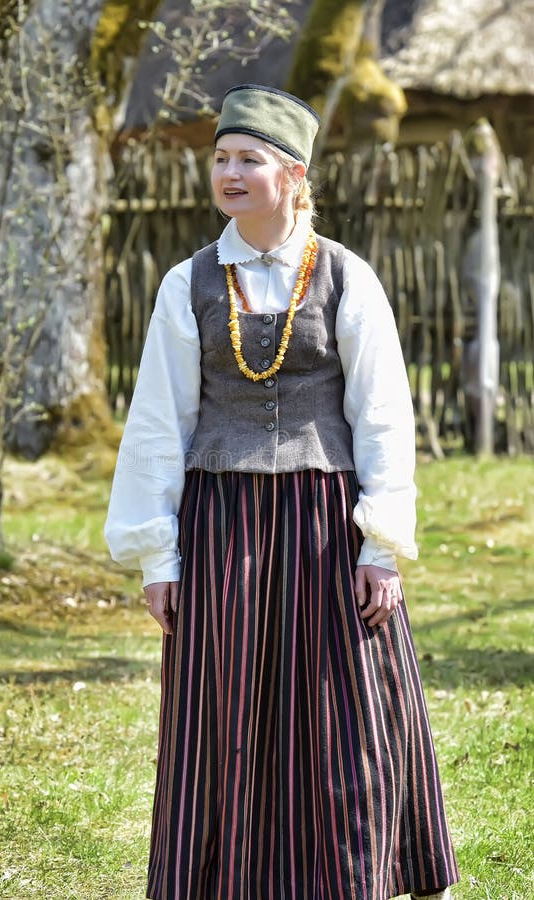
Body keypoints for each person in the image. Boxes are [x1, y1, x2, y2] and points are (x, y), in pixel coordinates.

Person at [105, 84, 459, 900]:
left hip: (325, 527)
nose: (230, 173)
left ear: (293, 175)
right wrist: (158, 556)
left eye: (249, 160)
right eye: (221, 159)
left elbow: (381, 416)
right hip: (225, 527)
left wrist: (380, 546)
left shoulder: (344, 278)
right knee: (225, 715)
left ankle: (349, 876)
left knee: (343, 713)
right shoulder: (188, 285)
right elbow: (159, 424)